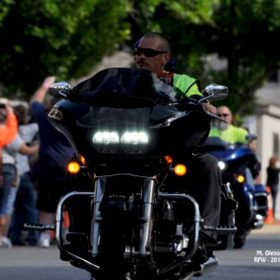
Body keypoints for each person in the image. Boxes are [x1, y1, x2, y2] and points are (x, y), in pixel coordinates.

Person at [134, 32, 222, 264]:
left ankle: (204, 237)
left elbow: (197, 102)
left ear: (165, 57)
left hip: (172, 151)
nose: (141, 57)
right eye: (138, 51)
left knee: (208, 164)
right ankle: (80, 230)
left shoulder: (184, 82)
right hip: (130, 152)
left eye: (149, 53)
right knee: (80, 163)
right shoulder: (124, 82)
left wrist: (202, 105)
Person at [30, 76, 75, 248]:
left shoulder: (45, 115)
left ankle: (44, 236)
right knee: (72, 202)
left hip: (48, 164)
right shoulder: (74, 116)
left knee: (45, 205)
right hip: (71, 166)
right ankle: (68, 233)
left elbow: (34, 101)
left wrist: (45, 84)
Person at [0, 103, 39, 247]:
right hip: (10, 169)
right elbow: (25, 150)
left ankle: (13, 235)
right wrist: (38, 146)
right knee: (7, 204)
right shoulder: (9, 132)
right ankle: (3, 236)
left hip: (9, 169)